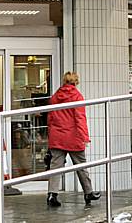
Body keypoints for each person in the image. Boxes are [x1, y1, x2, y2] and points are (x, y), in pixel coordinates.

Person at [46, 71, 101, 207]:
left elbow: (50, 119)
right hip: (73, 136)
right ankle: (88, 192)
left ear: (64, 81)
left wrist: (50, 135)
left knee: (56, 167)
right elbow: (80, 119)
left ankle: (52, 194)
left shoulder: (55, 97)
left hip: (57, 136)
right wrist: (85, 137)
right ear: (76, 82)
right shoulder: (77, 97)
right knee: (81, 165)